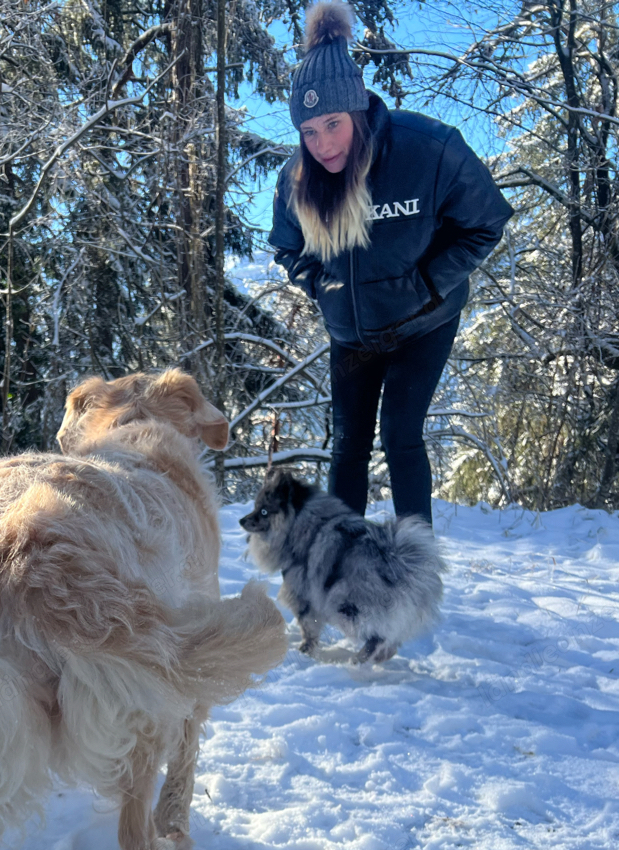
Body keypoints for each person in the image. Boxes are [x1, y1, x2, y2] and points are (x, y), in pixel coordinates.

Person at [269, 0, 513, 526]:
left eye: (332, 124)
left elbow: (486, 221)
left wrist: (427, 283)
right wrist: (323, 289)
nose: (323, 144)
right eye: (308, 131)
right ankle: (341, 563)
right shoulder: (297, 180)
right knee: (348, 446)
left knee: (401, 433)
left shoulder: (427, 149)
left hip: (424, 321)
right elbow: (288, 248)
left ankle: (414, 573)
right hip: (352, 331)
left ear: (356, 110)